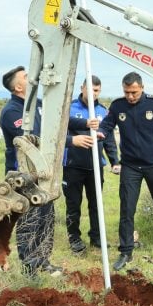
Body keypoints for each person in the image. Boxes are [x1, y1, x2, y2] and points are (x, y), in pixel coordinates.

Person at [98, 72, 153, 271]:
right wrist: (100, 132)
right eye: (126, 92)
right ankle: (126, 251)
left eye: (134, 92)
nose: (130, 96)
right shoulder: (118, 106)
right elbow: (106, 126)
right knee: (127, 208)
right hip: (130, 166)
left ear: (142, 88)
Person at [0, 65, 62, 277]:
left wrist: (85, 123)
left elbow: (57, 122)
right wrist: (72, 140)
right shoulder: (12, 112)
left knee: (45, 217)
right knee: (29, 221)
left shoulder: (38, 104)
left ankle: (43, 260)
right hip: (24, 176)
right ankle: (29, 267)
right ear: (18, 87)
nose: (32, 77)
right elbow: (34, 139)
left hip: (42, 172)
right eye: (26, 76)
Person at [63, 76, 120, 254]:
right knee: (73, 204)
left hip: (95, 166)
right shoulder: (69, 108)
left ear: (99, 91)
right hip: (73, 165)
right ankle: (74, 238)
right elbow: (59, 130)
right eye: (89, 89)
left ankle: (96, 237)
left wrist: (114, 161)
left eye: (96, 90)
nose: (93, 93)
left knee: (96, 204)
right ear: (82, 88)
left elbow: (109, 139)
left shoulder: (103, 111)